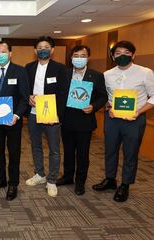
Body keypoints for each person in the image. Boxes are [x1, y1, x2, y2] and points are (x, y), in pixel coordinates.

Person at [93, 41, 154, 202]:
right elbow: (105, 97)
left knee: (130, 153)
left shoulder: (145, 72)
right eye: (118, 53)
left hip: (134, 120)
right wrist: (108, 107)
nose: (122, 56)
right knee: (110, 150)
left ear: (133, 55)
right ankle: (110, 179)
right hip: (113, 119)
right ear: (113, 56)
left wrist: (138, 111)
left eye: (126, 52)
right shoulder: (107, 74)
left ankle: (125, 184)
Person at [56, 45, 107, 195]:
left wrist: (93, 106)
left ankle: (80, 182)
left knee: (83, 154)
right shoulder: (64, 74)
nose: (79, 59)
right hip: (67, 120)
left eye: (82, 55)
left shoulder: (96, 75)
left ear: (88, 58)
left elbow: (103, 96)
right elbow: (58, 94)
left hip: (85, 121)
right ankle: (67, 177)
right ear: (71, 58)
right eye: (76, 56)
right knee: (68, 151)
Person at [0, 41, 30, 201]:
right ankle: (1, 179)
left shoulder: (20, 71)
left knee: (14, 153)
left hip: (12, 121)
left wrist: (16, 116)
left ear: (10, 53)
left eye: (3, 52)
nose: (0, 54)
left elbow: (25, 98)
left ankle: (13, 183)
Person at [24, 36, 67, 197]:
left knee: (54, 150)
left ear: (52, 50)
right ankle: (40, 174)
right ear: (35, 51)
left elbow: (63, 93)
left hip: (52, 115)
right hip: (34, 114)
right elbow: (24, 88)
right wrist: (28, 97)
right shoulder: (28, 67)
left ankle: (52, 180)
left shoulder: (60, 68)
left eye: (46, 47)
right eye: (40, 47)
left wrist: (57, 115)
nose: (43, 49)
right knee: (36, 146)